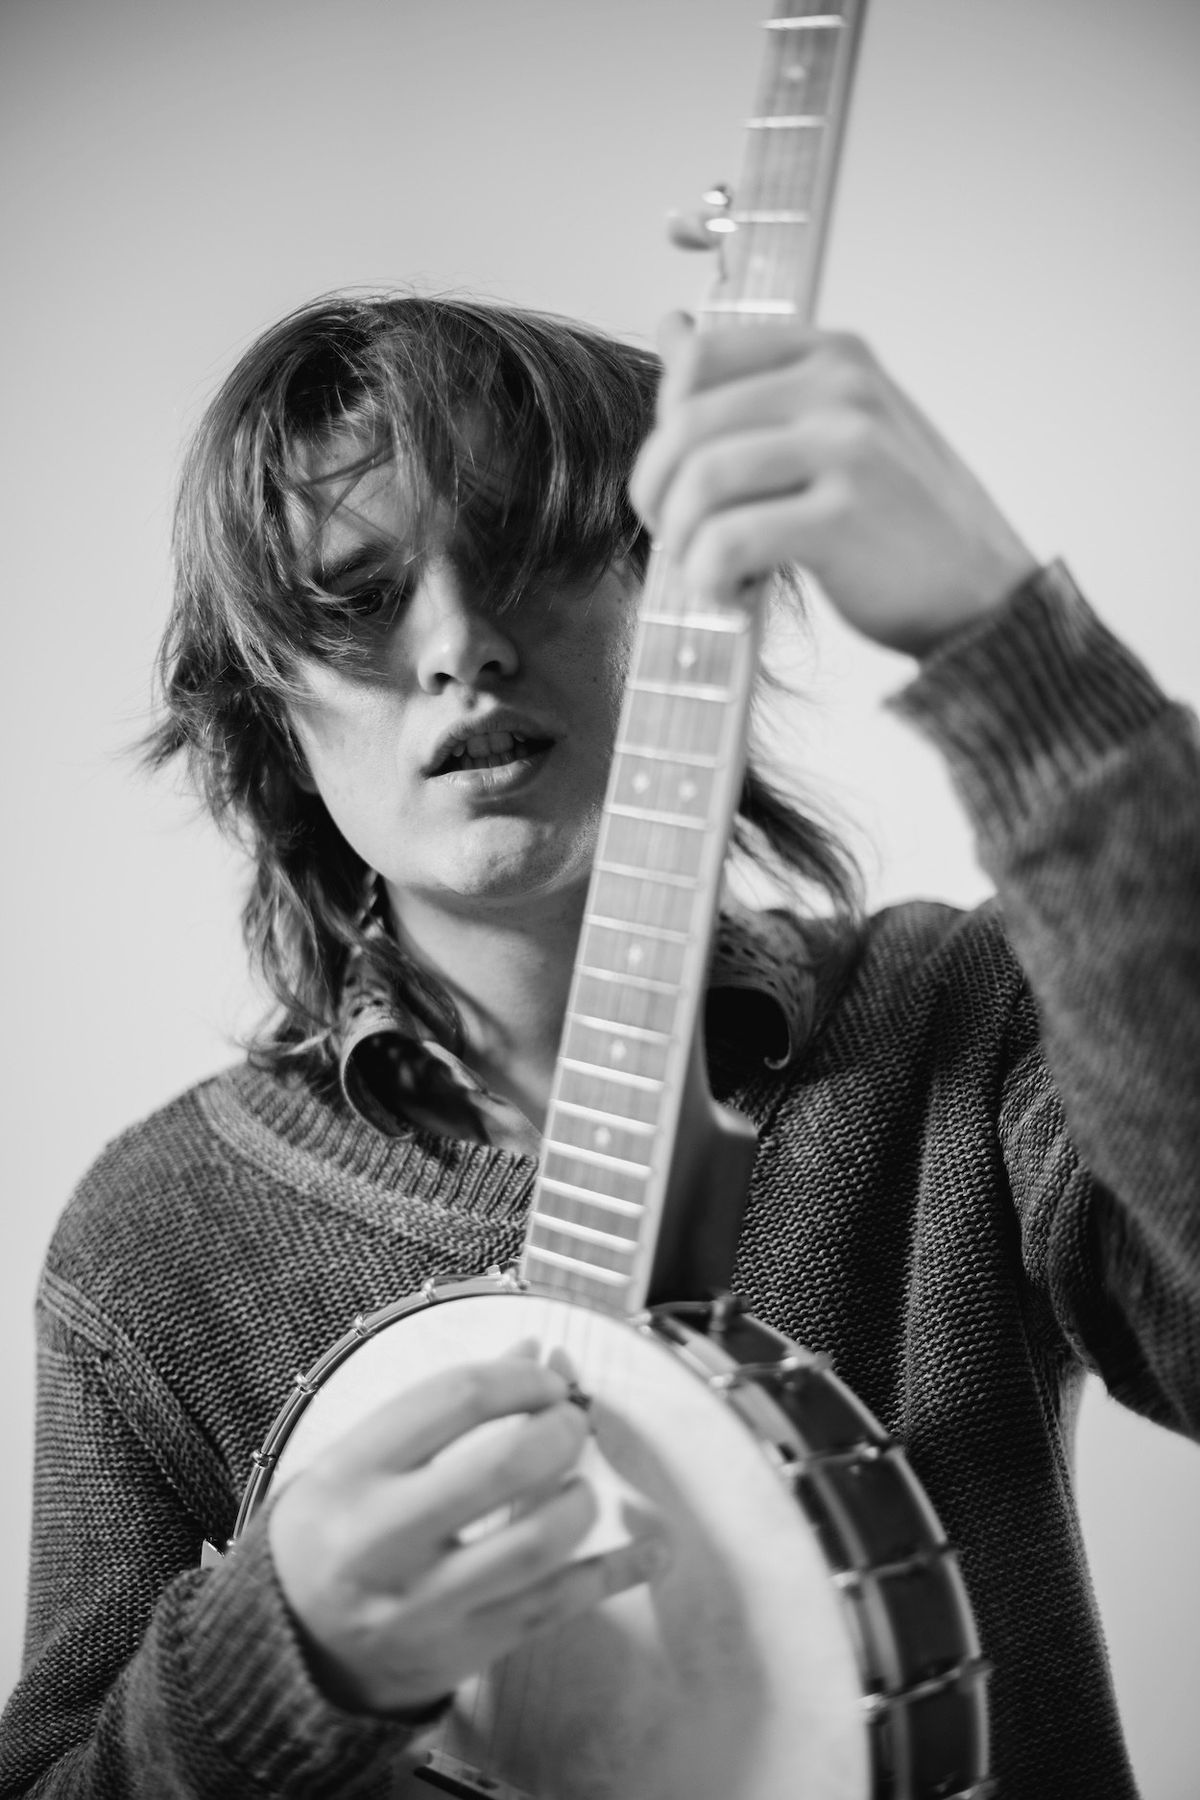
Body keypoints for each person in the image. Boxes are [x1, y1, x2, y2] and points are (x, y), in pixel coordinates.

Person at [2, 289, 1197, 1800]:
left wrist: (1013, 655)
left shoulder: (958, 1021)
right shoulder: (153, 1245)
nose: (462, 646)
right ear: (270, 714)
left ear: (681, 601)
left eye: (524, 552)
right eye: (359, 599)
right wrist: (274, 1660)